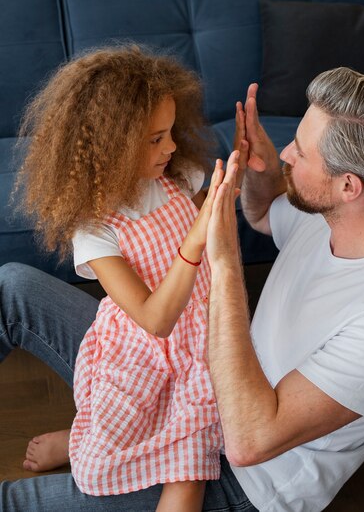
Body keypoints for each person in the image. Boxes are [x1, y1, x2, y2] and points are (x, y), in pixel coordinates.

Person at [1, 66, 364, 511]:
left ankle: (124, 442)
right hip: (182, 361)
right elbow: (264, 213)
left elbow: (250, 441)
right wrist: (261, 166)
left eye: (302, 152)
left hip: (242, 472)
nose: (287, 154)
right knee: (12, 285)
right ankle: (107, 431)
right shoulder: (333, 216)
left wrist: (217, 261)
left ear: (349, 186)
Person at [7, 44, 228, 512]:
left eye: (170, 132)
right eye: (154, 139)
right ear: (110, 146)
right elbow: (153, 319)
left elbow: (213, 204)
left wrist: (243, 169)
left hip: (199, 351)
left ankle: (76, 440)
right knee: (108, 449)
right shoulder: (96, 227)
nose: (170, 147)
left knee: (189, 476)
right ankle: (79, 442)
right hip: (142, 354)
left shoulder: (177, 176)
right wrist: (193, 241)